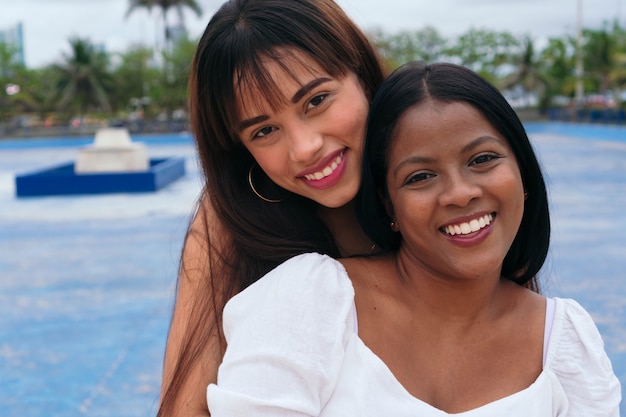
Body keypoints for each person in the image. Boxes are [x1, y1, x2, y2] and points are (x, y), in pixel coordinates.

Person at [206, 62, 621, 415]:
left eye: (483, 159)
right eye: (420, 177)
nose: (460, 193)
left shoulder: (566, 344)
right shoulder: (308, 300)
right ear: (389, 207)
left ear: (523, 176)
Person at [157, 0, 387, 415]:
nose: (305, 148)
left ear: (363, 77)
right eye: (264, 130)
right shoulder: (227, 225)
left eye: (316, 101)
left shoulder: (437, 183)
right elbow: (183, 408)